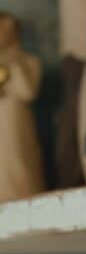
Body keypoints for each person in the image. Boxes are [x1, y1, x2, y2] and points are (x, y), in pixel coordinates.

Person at [0, 11, 45, 201]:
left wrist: (12, 60)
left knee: (20, 164)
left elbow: (27, 91)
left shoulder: (29, 62)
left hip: (16, 122)